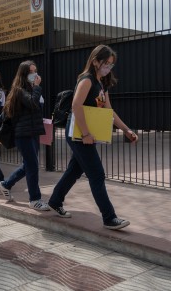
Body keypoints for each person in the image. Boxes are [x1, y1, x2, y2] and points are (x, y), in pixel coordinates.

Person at [48, 44, 137, 230]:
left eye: (111, 65)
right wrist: (86, 133)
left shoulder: (102, 84)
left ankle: (55, 201)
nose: (108, 68)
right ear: (95, 61)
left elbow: (109, 112)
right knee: (97, 174)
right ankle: (109, 218)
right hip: (79, 134)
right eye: (106, 63)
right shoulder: (86, 80)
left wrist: (126, 130)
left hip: (86, 135)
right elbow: (76, 106)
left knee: (74, 170)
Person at [0, 60, 50, 211]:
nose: (35, 74)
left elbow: (35, 110)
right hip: (23, 134)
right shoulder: (19, 90)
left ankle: (5, 185)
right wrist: (37, 87)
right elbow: (32, 103)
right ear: (24, 74)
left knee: (28, 165)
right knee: (32, 166)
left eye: (36, 70)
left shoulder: (32, 89)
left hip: (33, 132)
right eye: (31, 72)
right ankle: (35, 200)